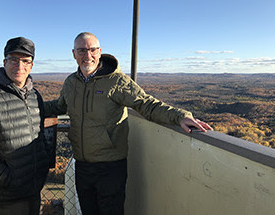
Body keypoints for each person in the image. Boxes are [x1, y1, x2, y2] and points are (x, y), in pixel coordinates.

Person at [43, 32, 213, 215]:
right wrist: (29, 105)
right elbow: (60, 106)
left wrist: (180, 116)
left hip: (110, 165)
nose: (87, 55)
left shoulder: (117, 81)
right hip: (82, 165)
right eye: (82, 50)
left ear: (99, 52)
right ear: (74, 53)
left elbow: (145, 103)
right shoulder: (71, 83)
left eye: (92, 50)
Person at [0, 37, 55, 215]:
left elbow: (40, 135)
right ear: (4, 62)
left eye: (25, 61)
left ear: (31, 65)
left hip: (33, 191)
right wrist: (6, 180)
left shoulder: (35, 95)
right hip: (4, 200)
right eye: (14, 60)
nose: (19, 66)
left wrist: (42, 167)